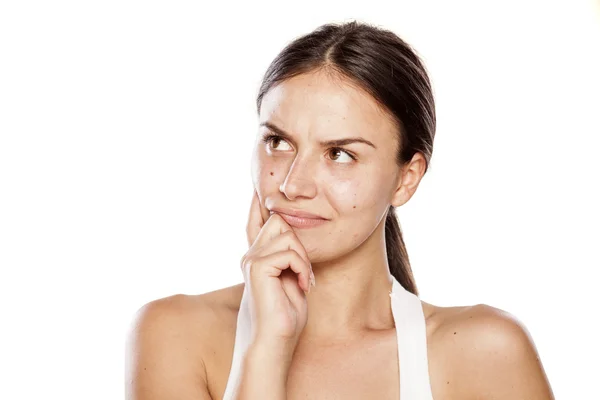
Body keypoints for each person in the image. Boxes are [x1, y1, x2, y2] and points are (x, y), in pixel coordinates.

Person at [125, 20, 555, 399]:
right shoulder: (173, 335)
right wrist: (268, 347)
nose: (292, 183)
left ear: (407, 178)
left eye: (340, 154)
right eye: (277, 142)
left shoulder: (485, 353)